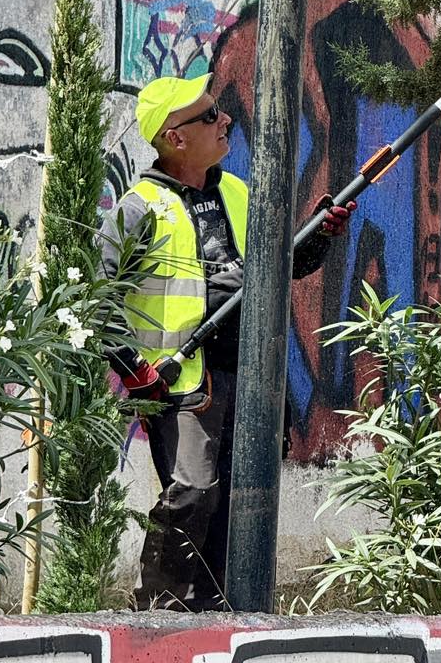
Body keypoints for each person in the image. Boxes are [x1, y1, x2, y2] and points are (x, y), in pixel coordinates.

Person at [98, 70, 352, 612]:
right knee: (191, 494)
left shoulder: (237, 192)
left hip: (251, 376)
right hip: (182, 385)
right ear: (175, 137)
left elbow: (284, 267)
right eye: (210, 114)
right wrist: (136, 369)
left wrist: (320, 233)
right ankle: (158, 614)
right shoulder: (138, 210)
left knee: (238, 505)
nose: (226, 119)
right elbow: (98, 302)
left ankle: (221, 620)